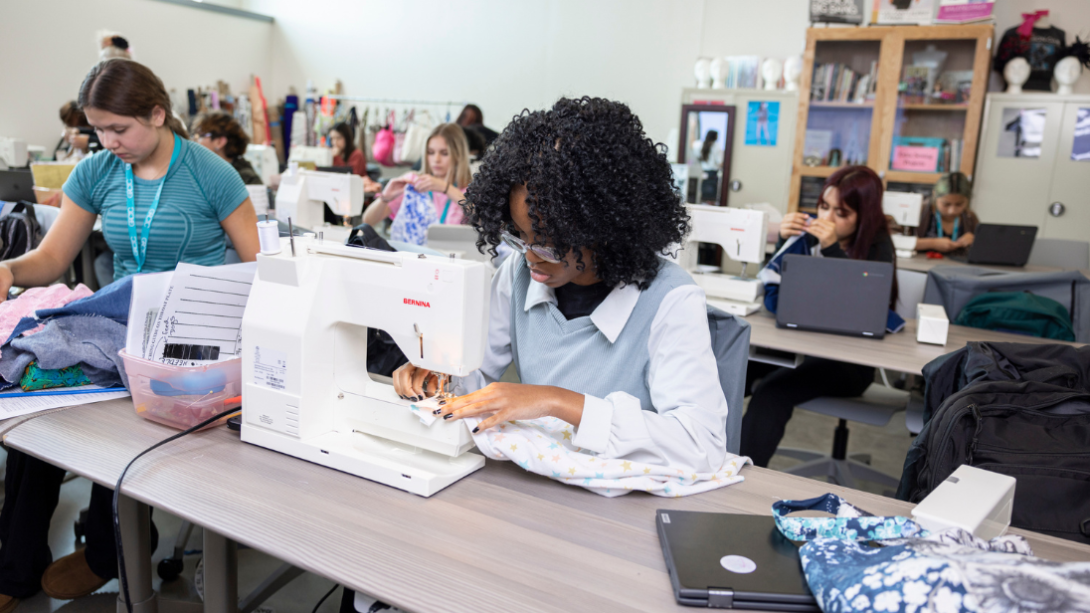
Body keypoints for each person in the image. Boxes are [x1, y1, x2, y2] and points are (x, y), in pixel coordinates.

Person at [342, 96, 729, 613]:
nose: (530, 256)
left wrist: (553, 401)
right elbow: (477, 371)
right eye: (520, 235)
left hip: (617, 533)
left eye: (547, 241)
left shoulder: (670, 300)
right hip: (528, 500)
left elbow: (700, 442)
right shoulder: (519, 273)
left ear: (605, 225)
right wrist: (439, 372)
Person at [0, 58, 259, 611]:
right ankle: (17, 564)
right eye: (98, 130)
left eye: (119, 129)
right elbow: (51, 258)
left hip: (196, 329)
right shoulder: (96, 172)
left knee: (116, 406)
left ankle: (105, 552)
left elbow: (258, 267)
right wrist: (8, 271)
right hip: (125, 319)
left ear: (158, 114)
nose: (108, 141)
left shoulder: (212, 175)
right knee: (35, 387)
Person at [740, 166, 896, 468]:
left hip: (848, 364)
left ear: (864, 216)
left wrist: (833, 248)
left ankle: (743, 474)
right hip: (800, 346)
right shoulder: (810, 238)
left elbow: (862, 302)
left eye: (841, 213)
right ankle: (702, 457)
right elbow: (780, 287)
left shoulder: (877, 247)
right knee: (735, 372)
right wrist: (781, 242)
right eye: (824, 206)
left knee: (772, 392)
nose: (826, 218)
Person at [362, 123, 471, 229]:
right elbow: (368, 221)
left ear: (458, 155)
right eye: (431, 152)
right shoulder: (413, 182)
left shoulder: (469, 189)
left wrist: (446, 188)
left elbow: (481, 220)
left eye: (444, 153)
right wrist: (385, 198)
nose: (436, 159)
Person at [911, 172, 978, 255]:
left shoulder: (970, 217)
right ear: (934, 194)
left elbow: (987, 247)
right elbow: (896, 242)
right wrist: (932, 243)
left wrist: (976, 241)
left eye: (959, 204)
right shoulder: (919, 211)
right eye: (946, 204)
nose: (952, 211)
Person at [192, 111, 262, 185]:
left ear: (220, 142)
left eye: (200, 136)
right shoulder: (204, 172)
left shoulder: (246, 179)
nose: (194, 141)